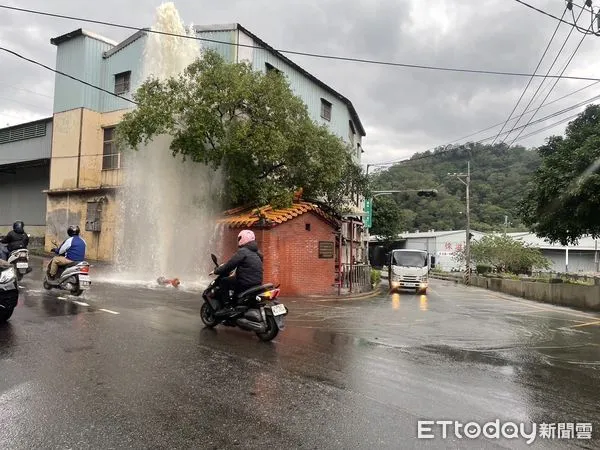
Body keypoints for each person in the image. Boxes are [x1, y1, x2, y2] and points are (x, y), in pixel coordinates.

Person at [212, 229, 263, 313]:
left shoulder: (243, 252)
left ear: (243, 239)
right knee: (233, 282)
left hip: (245, 282)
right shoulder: (257, 252)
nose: (238, 240)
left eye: (239, 238)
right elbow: (249, 266)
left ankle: (227, 306)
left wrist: (216, 271)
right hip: (257, 282)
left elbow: (229, 265)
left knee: (224, 281)